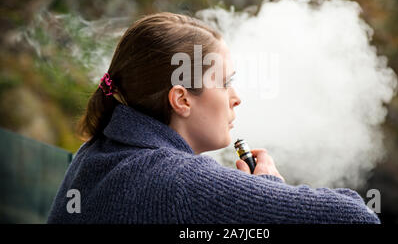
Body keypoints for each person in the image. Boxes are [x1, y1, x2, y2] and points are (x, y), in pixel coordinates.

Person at [47, 12, 380, 224]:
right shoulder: (179, 182)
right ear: (181, 99)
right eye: (225, 82)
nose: (236, 97)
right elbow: (357, 218)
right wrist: (267, 191)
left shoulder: (94, 154)